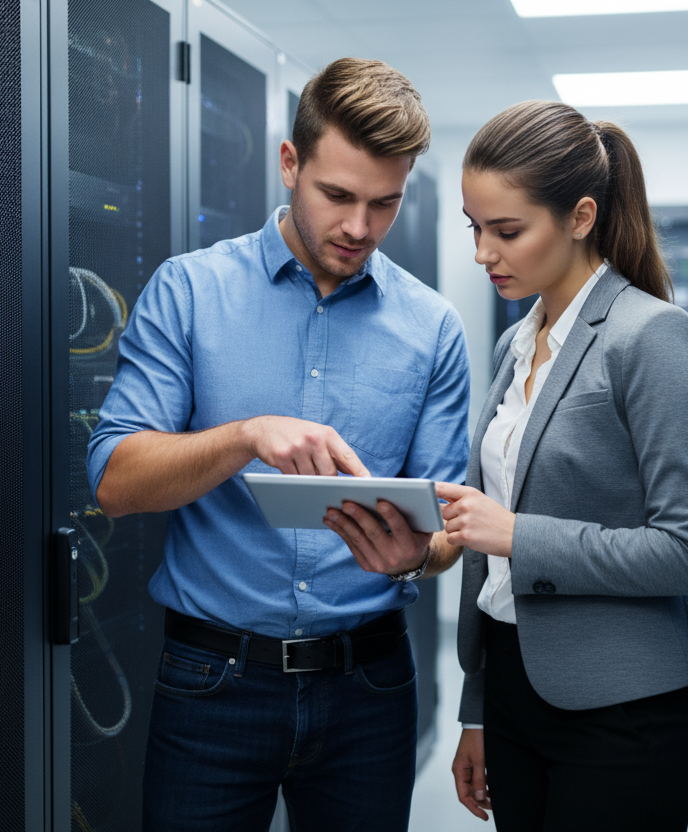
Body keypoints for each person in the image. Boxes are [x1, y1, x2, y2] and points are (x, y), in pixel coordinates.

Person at [86, 58, 471, 832]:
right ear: (290, 164)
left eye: (384, 204)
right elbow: (114, 481)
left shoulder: (432, 329)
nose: (359, 228)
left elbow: (447, 529)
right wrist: (244, 436)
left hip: (369, 684)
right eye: (337, 196)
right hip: (210, 681)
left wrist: (418, 556)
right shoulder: (188, 292)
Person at [441, 101, 688, 830]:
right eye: (475, 228)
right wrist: (477, 711)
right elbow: (492, 567)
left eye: (507, 231)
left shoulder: (652, 336)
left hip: (619, 713)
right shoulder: (517, 344)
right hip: (511, 690)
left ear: (580, 216)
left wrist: (517, 534)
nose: (483, 253)